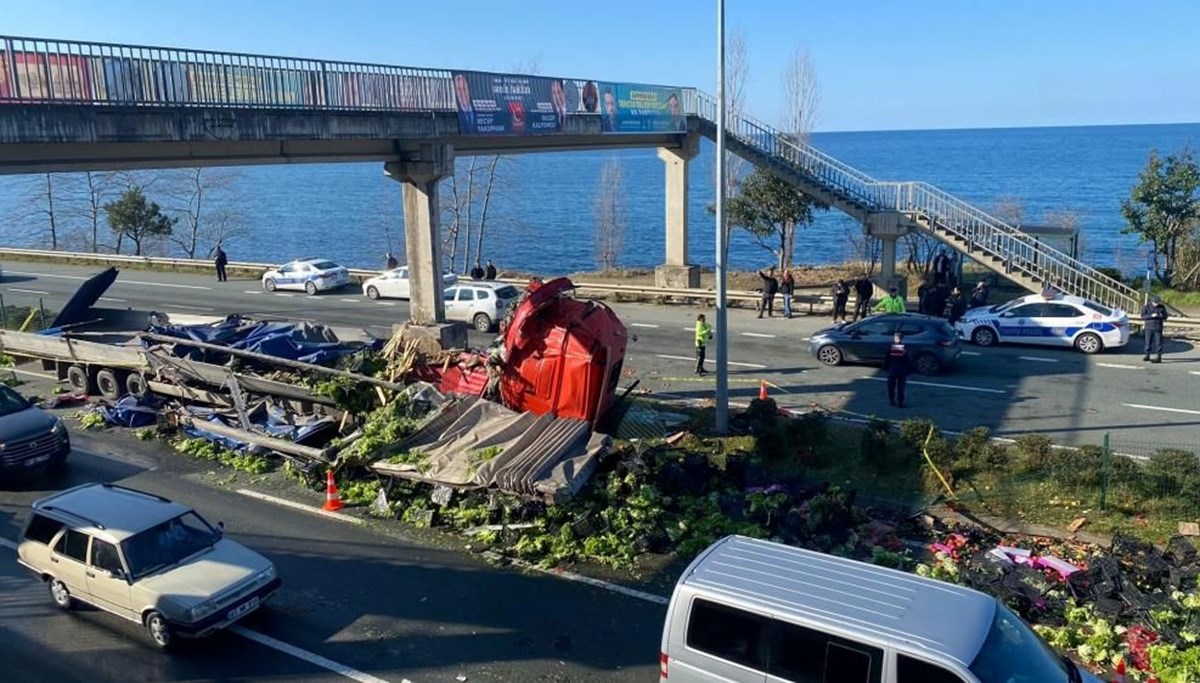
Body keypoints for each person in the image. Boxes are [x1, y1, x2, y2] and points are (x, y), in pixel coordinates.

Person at [883, 332, 912, 408]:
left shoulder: (890, 347)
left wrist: (885, 367)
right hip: (901, 370)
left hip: (892, 370)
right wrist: (909, 370)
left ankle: (892, 400)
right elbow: (907, 360)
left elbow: (887, 359)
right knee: (901, 387)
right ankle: (900, 402)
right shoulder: (904, 348)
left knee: (891, 386)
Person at [1141, 295, 1168, 363]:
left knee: (1158, 342)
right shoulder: (1146, 307)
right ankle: (1147, 355)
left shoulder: (1162, 307)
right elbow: (1143, 316)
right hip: (1149, 327)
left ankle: (1159, 356)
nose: (1157, 304)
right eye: (1155, 302)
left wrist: (1161, 315)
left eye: (1158, 302)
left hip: (1158, 327)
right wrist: (1151, 316)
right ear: (1152, 302)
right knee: (1148, 342)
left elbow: (1165, 316)